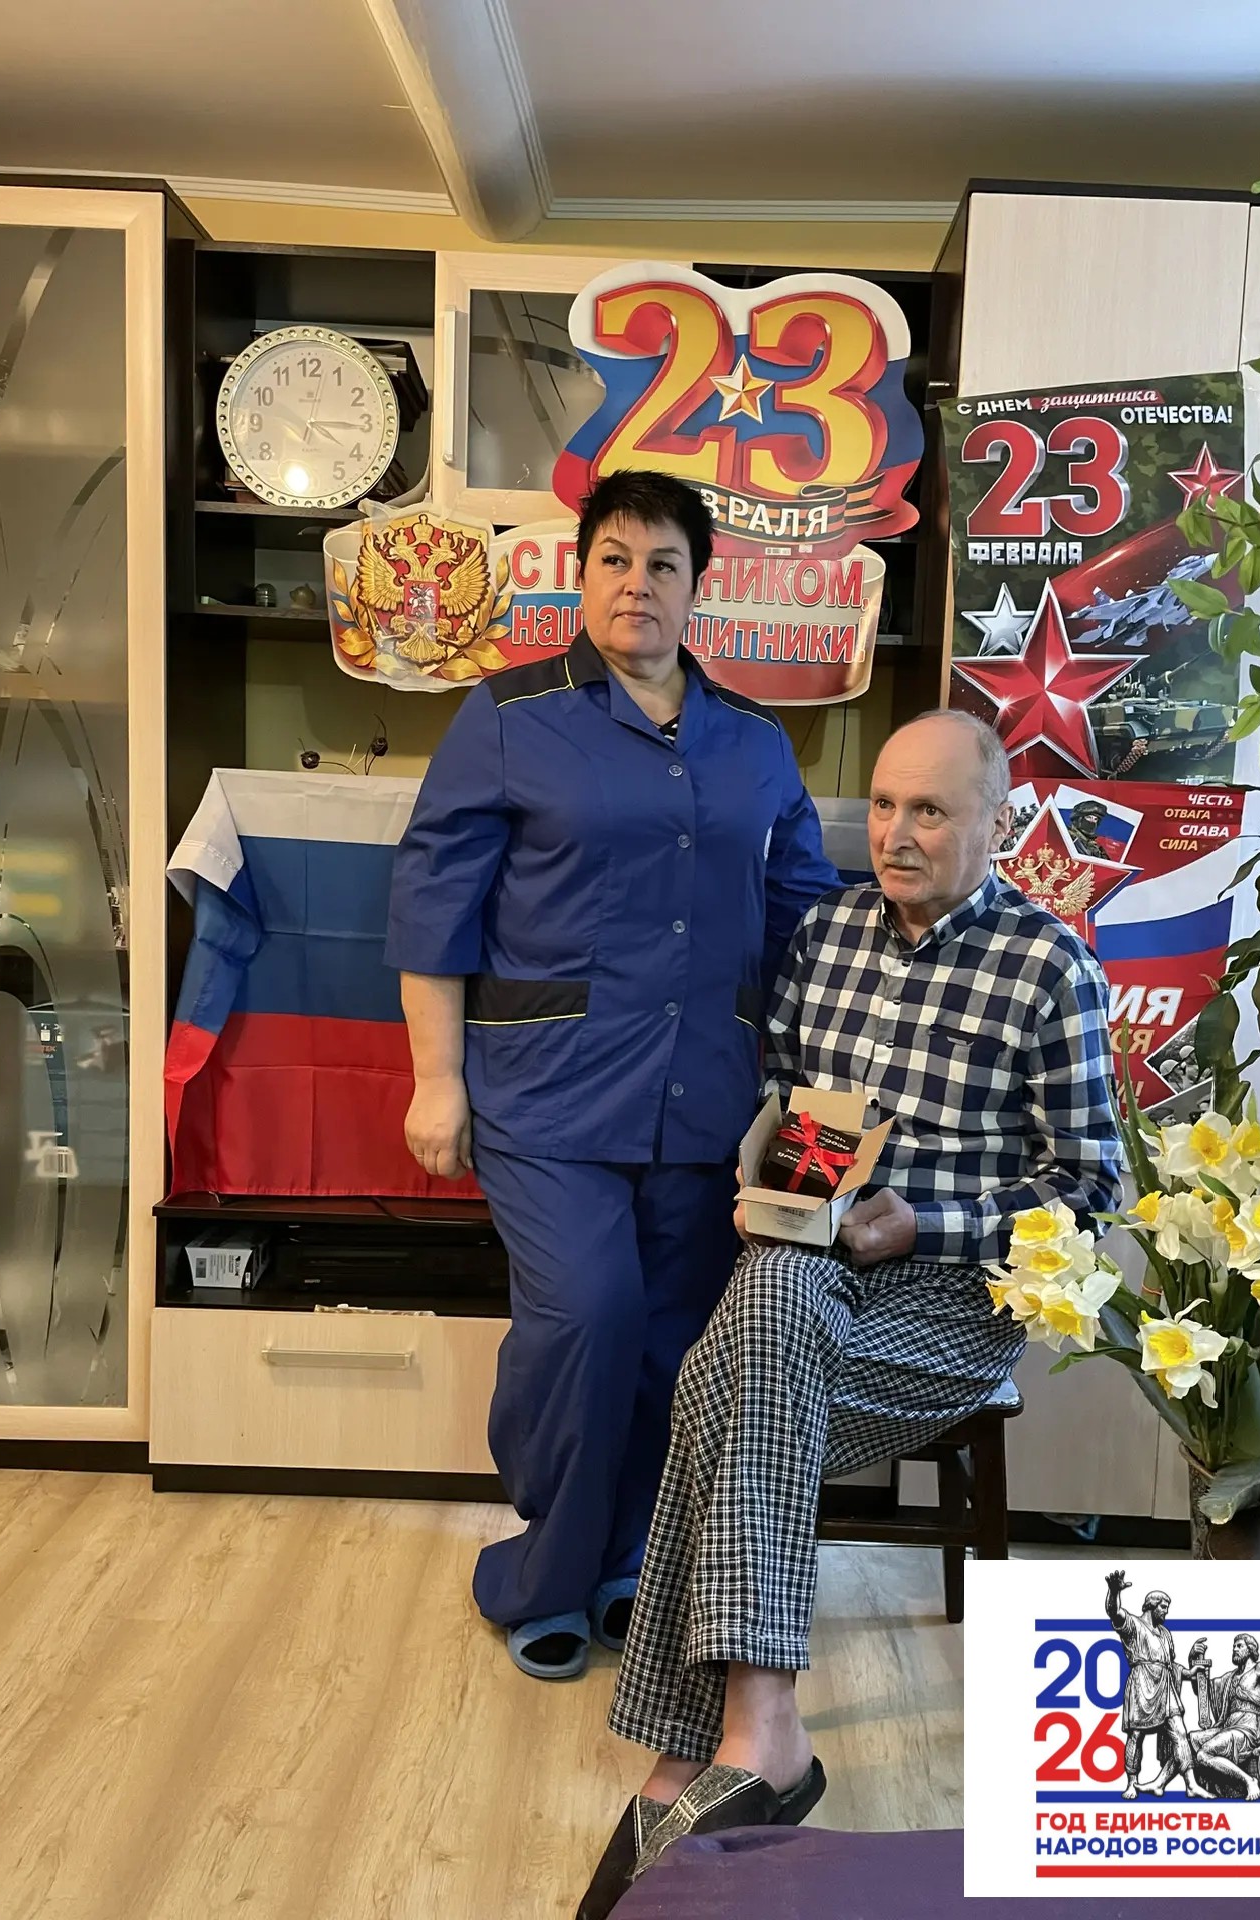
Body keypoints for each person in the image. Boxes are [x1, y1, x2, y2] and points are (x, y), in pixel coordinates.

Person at [578, 708, 1122, 1917]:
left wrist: (924, 1224)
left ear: (997, 823)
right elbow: (788, 1093)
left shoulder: (1051, 966)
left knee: (719, 1372)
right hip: (812, 1262)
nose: (896, 833)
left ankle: (694, 1747)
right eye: (882, 805)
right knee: (774, 1288)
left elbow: (1092, 1192)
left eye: (930, 810)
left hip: (954, 1297)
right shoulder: (825, 935)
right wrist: (767, 1173)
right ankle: (754, 1727)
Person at [385, 470, 841, 1682]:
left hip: (708, 1103)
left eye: (664, 565)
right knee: (586, 1318)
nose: (638, 585)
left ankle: (634, 1562)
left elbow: (806, 918)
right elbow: (433, 907)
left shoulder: (756, 745)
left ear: (699, 588)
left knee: (674, 1343)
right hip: (547, 1096)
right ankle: (543, 1573)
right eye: (615, 561)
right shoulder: (510, 715)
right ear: (581, 576)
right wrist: (437, 1081)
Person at [1153, 1631, 1260, 1800]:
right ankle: (1160, 1783)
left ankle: (1249, 1781)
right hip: (1229, 1726)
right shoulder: (1230, 1678)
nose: (1235, 1649)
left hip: (1250, 1729)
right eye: (1234, 1646)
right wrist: (1193, 1659)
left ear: (1250, 1649)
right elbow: (1202, 1690)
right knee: (1188, 1740)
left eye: (1239, 1646)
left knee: (1203, 1755)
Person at [1105, 1573, 1212, 1800]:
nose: (1166, 1612)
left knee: (1180, 1732)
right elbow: (1114, 1612)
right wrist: (1114, 1592)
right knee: (1136, 1735)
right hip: (1142, 1684)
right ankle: (1132, 1782)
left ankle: (1191, 1784)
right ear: (1151, 1605)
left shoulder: (1165, 1633)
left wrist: (1189, 1672)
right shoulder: (1133, 1625)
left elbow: (1170, 1665)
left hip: (1166, 1687)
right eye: (1163, 1607)